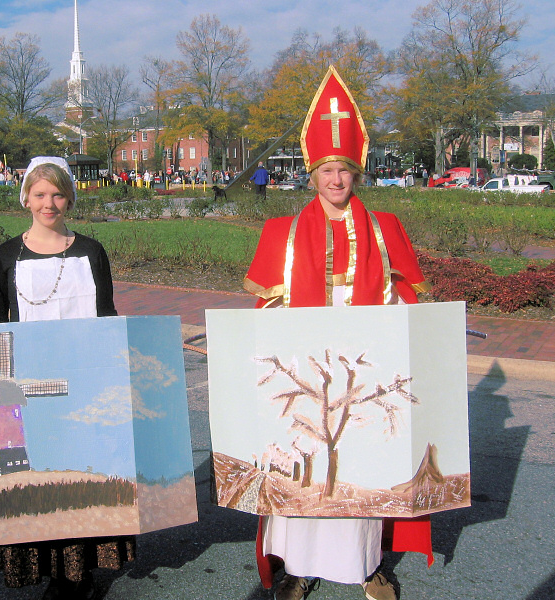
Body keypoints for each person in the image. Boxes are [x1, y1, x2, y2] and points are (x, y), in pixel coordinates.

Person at [243, 67, 433, 600]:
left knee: (362, 462)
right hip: (305, 367)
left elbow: (406, 301)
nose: (335, 179)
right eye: (326, 169)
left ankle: (366, 564)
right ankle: (298, 566)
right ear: (312, 174)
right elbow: (266, 309)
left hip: (365, 365)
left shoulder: (385, 228)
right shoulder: (282, 232)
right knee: (303, 462)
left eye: (344, 170)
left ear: (357, 174)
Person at [0, 157, 134, 599]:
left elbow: (106, 316)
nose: (49, 203)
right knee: (38, 473)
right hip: (29, 388)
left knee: (81, 472)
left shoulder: (91, 251)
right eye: (40, 194)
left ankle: (77, 570)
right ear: (26, 198)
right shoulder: (5, 256)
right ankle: (49, 566)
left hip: (84, 383)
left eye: (57, 194)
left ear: (69, 198)